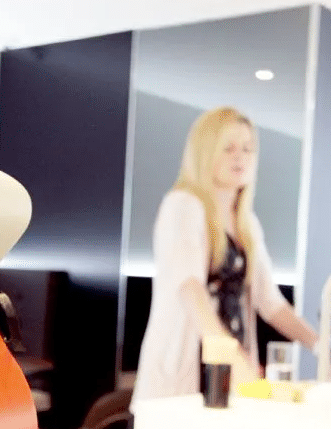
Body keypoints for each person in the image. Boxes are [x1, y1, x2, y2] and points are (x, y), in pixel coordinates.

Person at [132, 106, 318, 403]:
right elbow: (190, 288)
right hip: (188, 372)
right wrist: (231, 357)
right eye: (228, 148)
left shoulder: (247, 224)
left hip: (230, 377)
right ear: (205, 153)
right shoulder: (183, 205)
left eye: (247, 149)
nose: (240, 157)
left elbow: (271, 303)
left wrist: (320, 345)